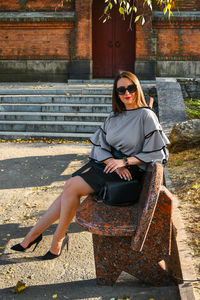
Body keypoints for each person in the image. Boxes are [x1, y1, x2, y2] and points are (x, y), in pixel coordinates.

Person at [11, 71, 169, 260]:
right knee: (68, 190)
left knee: (71, 188)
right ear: (116, 93)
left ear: (137, 89)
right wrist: (112, 161)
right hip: (109, 166)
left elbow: (157, 153)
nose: (127, 93)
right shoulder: (114, 116)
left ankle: (54, 241)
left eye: (131, 88)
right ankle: (34, 236)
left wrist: (124, 162)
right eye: (121, 90)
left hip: (128, 172)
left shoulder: (146, 115)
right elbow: (100, 146)